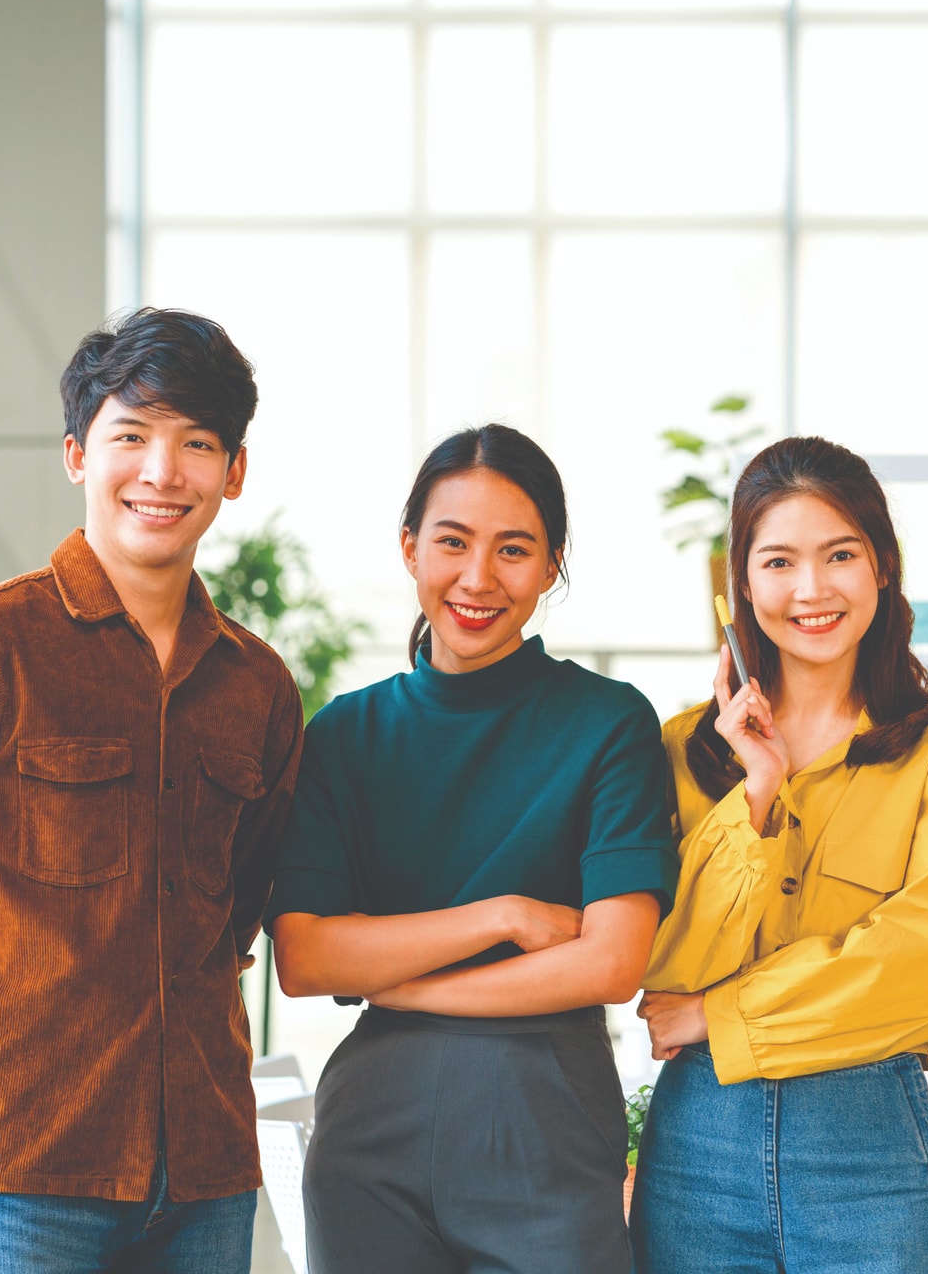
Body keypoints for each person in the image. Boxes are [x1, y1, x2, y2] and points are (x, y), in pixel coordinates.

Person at [0, 308, 303, 1273]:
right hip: (23, 1177)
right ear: (79, 455)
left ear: (235, 473)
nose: (163, 473)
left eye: (196, 444)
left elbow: (239, 914)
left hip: (208, 1174)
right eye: (132, 437)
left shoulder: (257, 687)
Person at [265, 423, 675, 1274]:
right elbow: (306, 957)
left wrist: (402, 982)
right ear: (411, 546)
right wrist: (506, 915)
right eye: (452, 542)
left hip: (546, 1121)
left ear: (553, 564)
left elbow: (610, 964)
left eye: (514, 550)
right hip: (370, 1139)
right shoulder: (344, 736)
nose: (478, 578)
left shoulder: (608, 723)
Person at [631, 435, 928, 1274]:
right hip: (696, 1149)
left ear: (883, 566)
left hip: (868, 1149)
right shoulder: (673, 753)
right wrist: (757, 793)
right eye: (778, 562)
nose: (811, 590)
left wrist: (720, 1015)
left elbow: (921, 966)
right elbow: (664, 961)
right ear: (743, 584)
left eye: (840, 554)